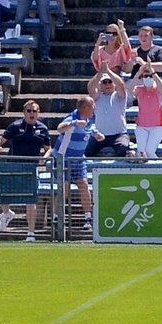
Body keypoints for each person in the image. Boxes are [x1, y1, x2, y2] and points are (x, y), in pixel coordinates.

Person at [0, 100, 50, 239]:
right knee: (3, 194)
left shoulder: (43, 129)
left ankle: (30, 232)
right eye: (29, 111)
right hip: (13, 165)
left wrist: (45, 157)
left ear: (38, 113)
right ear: (24, 112)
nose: (32, 114)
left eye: (34, 111)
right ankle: (7, 213)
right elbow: (0, 139)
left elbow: (48, 148)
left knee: (31, 200)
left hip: (31, 167)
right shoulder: (15, 126)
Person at [53, 96, 94, 231]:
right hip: (63, 159)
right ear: (84, 108)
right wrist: (75, 123)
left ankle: (88, 218)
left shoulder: (90, 119)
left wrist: (97, 134)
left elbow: (89, 130)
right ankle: (56, 218)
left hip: (78, 160)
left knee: (83, 184)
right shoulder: (72, 117)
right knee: (64, 188)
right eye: (92, 105)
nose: (94, 108)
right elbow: (60, 128)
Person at [85, 65, 131, 157]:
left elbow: (121, 85)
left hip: (119, 135)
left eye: (110, 82)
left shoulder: (119, 96)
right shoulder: (96, 97)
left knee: (123, 149)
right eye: (104, 82)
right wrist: (100, 73)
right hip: (99, 135)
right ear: (100, 85)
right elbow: (90, 87)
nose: (107, 84)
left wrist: (108, 71)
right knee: (87, 151)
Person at [128, 60, 162, 158]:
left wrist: (152, 71)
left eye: (150, 76)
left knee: (149, 151)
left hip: (158, 126)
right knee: (141, 153)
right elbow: (130, 89)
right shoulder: (140, 89)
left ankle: (158, 170)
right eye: (145, 76)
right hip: (141, 126)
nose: (148, 78)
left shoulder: (158, 90)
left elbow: (161, 86)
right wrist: (138, 72)